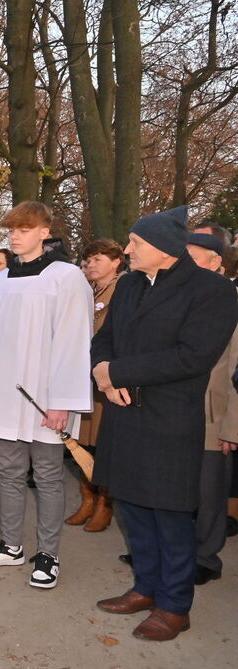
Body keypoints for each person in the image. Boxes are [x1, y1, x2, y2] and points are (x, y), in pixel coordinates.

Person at [92, 207, 237, 641]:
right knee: (134, 509)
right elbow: (105, 337)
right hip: (124, 413)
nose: (128, 250)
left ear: (164, 249)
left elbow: (192, 356)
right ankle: (146, 587)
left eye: (136, 243)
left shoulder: (211, 290)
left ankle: (175, 606)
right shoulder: (132, 284)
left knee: (170, 515)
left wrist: (117, 374)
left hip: (170, 419)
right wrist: (102, 368)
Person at [0, 201, 93, 590]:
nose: (16, 235)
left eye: (25, 228)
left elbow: (74, 342)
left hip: (47, 400)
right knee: (9, 474)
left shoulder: (66, 277)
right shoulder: (0, 281)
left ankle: (48, 554)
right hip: (2, 396)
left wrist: (62, 402)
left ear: (45, 231)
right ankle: (11, 545)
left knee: (48, 476)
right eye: (12, 229)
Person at [185, 233, 238, 586]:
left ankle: (206, 557)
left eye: (192, 257)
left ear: (215, 262)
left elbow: (236, 367)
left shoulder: (229, 299)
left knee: (208, 492)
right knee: (175, 487)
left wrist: (231, 427)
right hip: (174, 411)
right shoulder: (180, 297)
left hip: (212, 414)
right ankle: (176, 552)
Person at [68, 238, 125, 532]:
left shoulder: (124, 289)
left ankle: (105, 504)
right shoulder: (86, 290)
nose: (90, 265)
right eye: (88, 260)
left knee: (105, 444)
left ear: (116, 262)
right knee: (83, 443)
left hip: (105, 378)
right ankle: (86, 500)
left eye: (98, 260)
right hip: (82, 378)